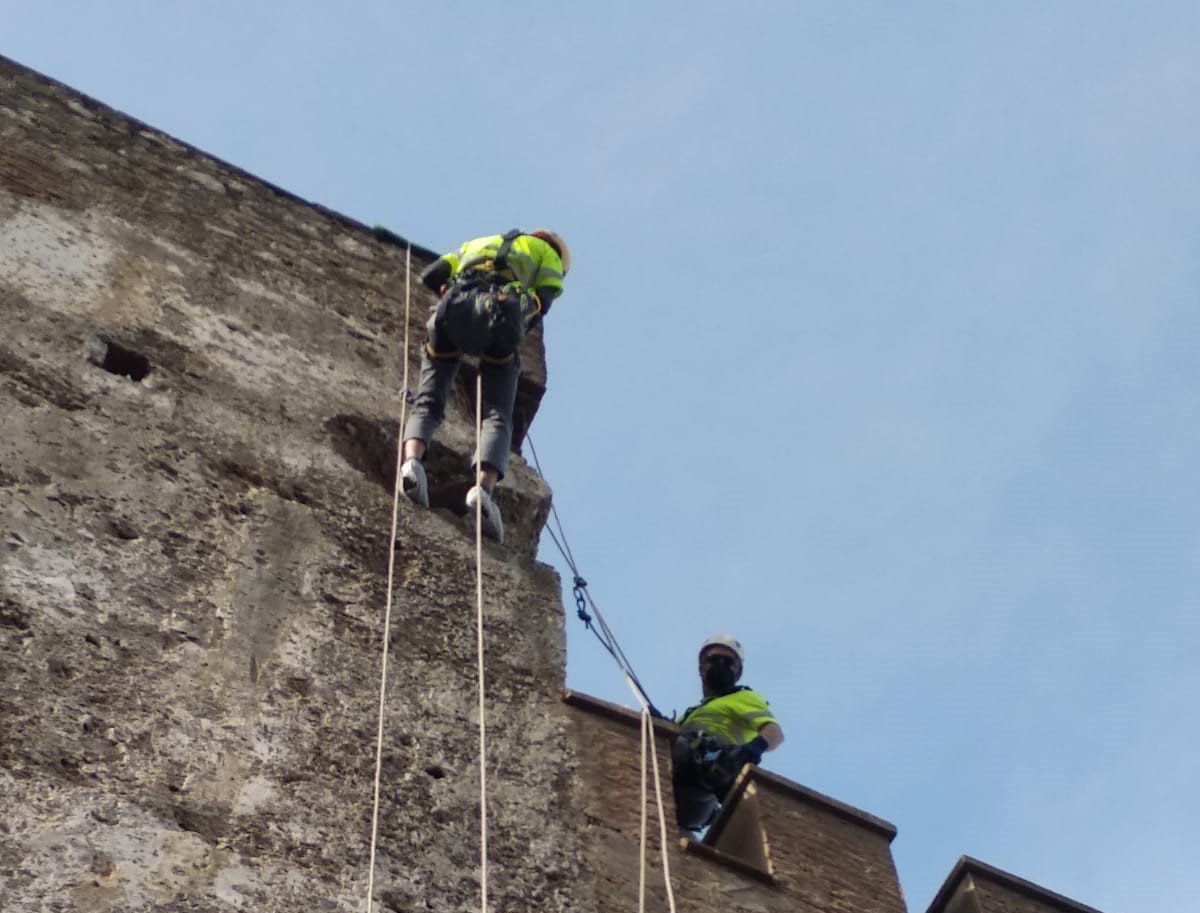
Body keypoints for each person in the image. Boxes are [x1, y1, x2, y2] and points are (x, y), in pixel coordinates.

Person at [399, 229, 570, 544]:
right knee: (496, 415)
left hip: (453, 308)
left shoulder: (477, 242)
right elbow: (541, 301)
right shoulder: (549, 259)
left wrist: (447, 287)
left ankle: (411, 464)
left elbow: (432, 274)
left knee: (428, 400)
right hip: (498, 314)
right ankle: (482, 490)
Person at [672, 634, 784, 831]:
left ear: (737, 671)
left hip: (706, 786)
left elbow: (774, 732)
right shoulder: (689, 715)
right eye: (714, 659)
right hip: (678, 778)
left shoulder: (743, 697)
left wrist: (752, 749)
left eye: (728, 661)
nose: (720, 664)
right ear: (701, 667)